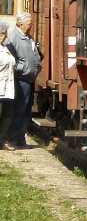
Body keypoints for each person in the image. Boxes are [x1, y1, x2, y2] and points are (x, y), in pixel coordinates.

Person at [5, 13, 41, 148]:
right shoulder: (13, 38)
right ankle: (14, 139)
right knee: (19, 110)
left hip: (29, 78)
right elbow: (9, 57)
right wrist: (21, 68)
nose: (30, 25)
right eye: (28, 22)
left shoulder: (27, 37)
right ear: (20, 24)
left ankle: (21, 139)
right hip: (20, 80)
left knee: (25, 110)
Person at [0, 20, 16, 150]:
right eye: (3, 34)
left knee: (7, 115)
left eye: (4, 34)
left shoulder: (5, 48)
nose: (4, 36)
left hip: (8, 88)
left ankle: (3, 140)